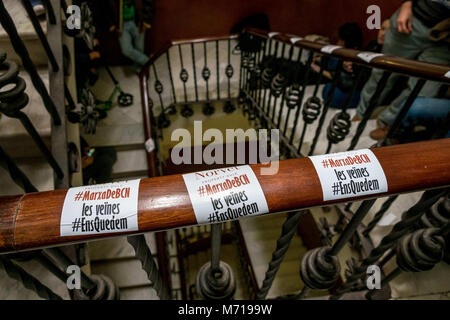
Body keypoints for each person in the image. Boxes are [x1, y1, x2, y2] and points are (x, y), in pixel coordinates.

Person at [354, 0, 450, 140]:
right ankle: (362, 113)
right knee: (383, 73)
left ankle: (387, 122)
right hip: (413, 21)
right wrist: (407, 4)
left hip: (444, 38)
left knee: (424, 89)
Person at [312, 23, 363, 109]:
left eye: (340, 40)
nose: (338, 42)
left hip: (349, 90)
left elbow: (342, 78)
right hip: (339, 83)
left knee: (330, 92)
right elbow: (329, 58)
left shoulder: (355, 57)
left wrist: (318, 69)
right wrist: (317, 59)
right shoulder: (342, 52)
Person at [106, 0, 155, 69]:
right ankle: (149, 62)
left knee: (139, 49)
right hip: (121, 25)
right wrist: (113, 26)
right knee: (126, 50)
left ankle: (140, 71)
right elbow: (106, 7)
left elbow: (149, 3)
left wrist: (146, 21)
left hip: (138, 21)